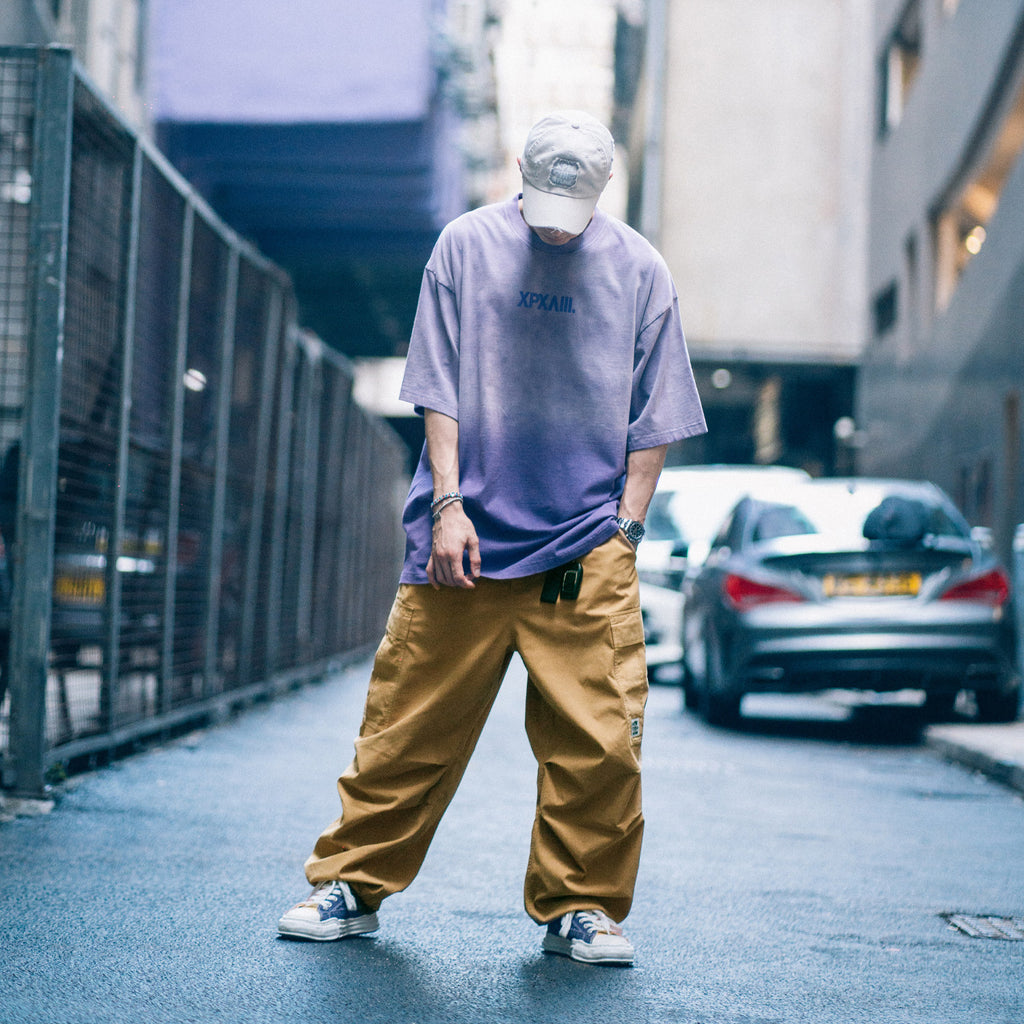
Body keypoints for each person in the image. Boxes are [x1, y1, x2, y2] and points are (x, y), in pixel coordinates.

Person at [277, 110, 707, 965]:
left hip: (586, 547)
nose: (556, 223)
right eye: (546, 201)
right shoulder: (465, 246)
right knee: (406, 726)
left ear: (601, 191)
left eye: (573, 207)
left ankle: (580, 907)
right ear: (520, 173)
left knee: (600, 744)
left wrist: (626, 527)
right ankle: (352, 886)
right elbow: (437, 383)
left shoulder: (640, 268)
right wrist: (447, 504)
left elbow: (656, 413)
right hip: (460, 545)